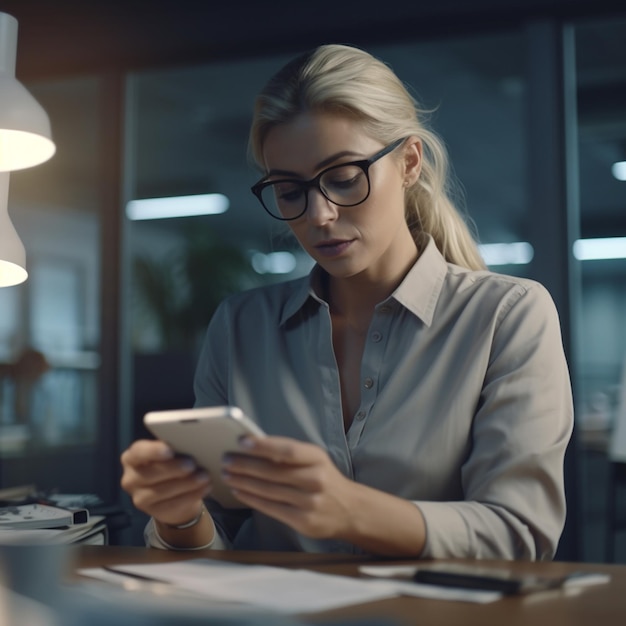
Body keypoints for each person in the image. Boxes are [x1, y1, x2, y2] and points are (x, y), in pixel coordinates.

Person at [120, 43, 573, 560]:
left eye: (343, 178)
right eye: (290, 190)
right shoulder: (241, 326)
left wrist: (349, 509)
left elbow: (520, 534)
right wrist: (180, 515)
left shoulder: (508, 316)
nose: (319, 215)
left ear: (408, 162)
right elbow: (215, 537)